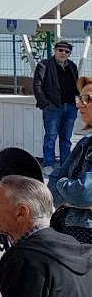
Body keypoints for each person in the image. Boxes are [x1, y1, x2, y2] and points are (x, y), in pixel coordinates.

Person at [48, 76, 92, 244]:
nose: (80, 104)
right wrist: (69, 198)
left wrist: (63, 187)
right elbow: (53, 180)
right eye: (80, 98)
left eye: (88, 99)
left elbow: (84, 193)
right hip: (69, 230)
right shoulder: (85, 141)